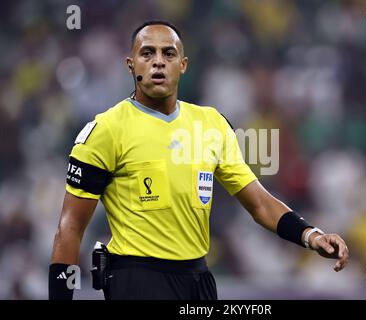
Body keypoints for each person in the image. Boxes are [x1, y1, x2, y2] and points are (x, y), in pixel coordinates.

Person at [49, 20, 349, 300]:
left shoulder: (211, 124)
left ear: (183, 65)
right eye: (147, 53)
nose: (157, 61)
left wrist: (310, 235)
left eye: (168, 53)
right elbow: (70, 226)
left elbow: (259, 203)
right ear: (131, 65)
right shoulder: (107, 130)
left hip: (198, 279)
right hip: (137, 279)